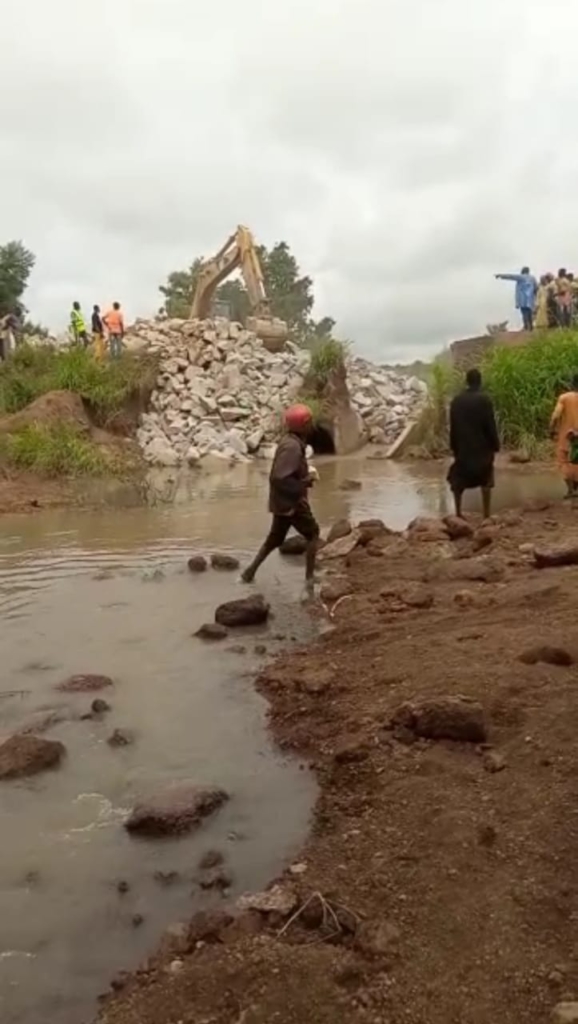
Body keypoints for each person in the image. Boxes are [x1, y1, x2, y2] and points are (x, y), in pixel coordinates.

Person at [241, 404, 320, 587]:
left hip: (282, 503)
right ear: (303, 425)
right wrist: (304, 483)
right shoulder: (293, 447)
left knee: (275, 539)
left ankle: (249, 573)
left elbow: (280, 475)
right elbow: (279, 477)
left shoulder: (289, 442)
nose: (311, 425)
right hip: (292, 503)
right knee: (313, 534)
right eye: (309, 422)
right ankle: (309, 580)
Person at [447, 368, 500, 519]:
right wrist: (495, 444)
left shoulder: (456, 401)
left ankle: (458, 512)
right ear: (480, 381)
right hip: (482, 446)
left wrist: (454, 446)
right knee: (486, 479)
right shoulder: (484, 400)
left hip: (463, 446)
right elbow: (490, 424)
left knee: (459, 480)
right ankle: (486, 514)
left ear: (467, 381)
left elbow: (453, 426)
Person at [550, 375, 578, 499]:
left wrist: (551, 429)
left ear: (572, 384)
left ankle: (571, 490)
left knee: (564, 461)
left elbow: (556, 415)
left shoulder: (565, 398)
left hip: (567, 436)